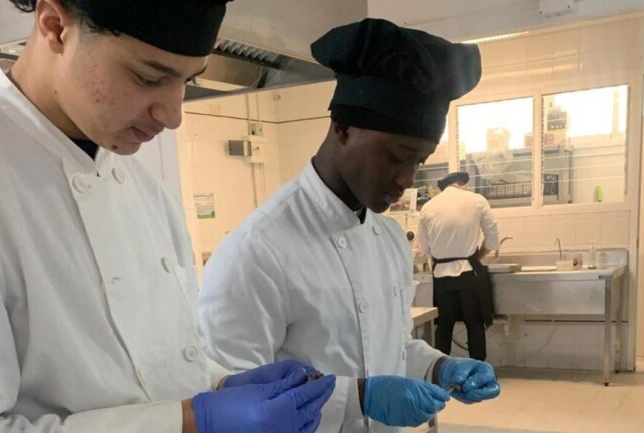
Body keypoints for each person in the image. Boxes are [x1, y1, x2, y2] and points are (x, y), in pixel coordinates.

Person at [0, 1, 335, 433]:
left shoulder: (144, 189)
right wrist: (191, 421)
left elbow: (153, 367)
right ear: (55, 27)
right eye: (149, 77)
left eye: (188, 80)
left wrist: (221, 385)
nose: (174, 114)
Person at [199, 19, 501, 433]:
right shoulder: (258, 249)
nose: (407, 178)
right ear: (342, 128)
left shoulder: (389, 239)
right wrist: (358, 397)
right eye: (397, 156)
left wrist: (439, 366)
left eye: (420, 161)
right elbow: (229, 396)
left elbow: (390, 350)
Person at [417, 172, 499, 360]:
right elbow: (493, 239)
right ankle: (477, 373)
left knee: (444, 327)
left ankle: (440, 373)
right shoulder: (476, 200)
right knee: (475, 325)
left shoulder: (428, 207)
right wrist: (477, 256)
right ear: (463, 185)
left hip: (441, 276)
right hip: (468, 273)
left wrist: (439, 259)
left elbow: (424, 246)